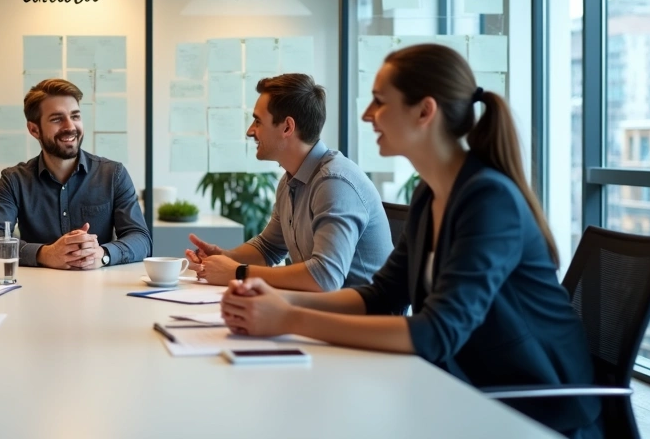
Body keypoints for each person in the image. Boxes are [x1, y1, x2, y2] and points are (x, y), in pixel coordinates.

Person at [220, 44, 599, 438]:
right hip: (464, 387)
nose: (368, 115)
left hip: (535, 410)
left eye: (380, 102)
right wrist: (277, 300)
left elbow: (437, 332)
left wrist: (289, 318)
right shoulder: (430, 193)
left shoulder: (489, 200)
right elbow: (382, 295)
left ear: (424, 111)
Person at [187, 74, 391, 290]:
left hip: (362, 320)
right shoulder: (290, 180)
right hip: (323, 312)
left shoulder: (334, 183)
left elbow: (325, 278)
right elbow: (268, 248)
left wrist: (238, 272)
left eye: (257, 121)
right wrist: (224, 258)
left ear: (287, 127)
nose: (250, 131)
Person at [0, 78, 151, 269]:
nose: (70, 126)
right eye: (57, 119)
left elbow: (141, 239)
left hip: (100, 288)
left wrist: (103, 254)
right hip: (35, 290)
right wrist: (45, 253)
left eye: (75, 116)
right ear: (34, 129)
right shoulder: (14, 180)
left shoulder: (113, 174)